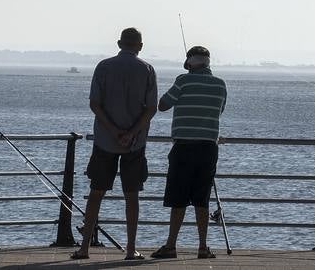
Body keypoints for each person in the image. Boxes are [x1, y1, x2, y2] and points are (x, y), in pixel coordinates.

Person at [74, 27, 157, 261]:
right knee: (132, 196)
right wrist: (131, 133)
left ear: (119, 43)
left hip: (104, 141)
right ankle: (130, 250)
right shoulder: (148, 69)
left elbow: (95, 104)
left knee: (96, 193)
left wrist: (114, 131)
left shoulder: (103, 66)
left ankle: (84, 248)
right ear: (140, 46)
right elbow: (151, 108)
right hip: (135, 143)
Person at [152, 45, 228, 259]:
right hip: (208, 148)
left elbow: (163, 105)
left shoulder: (183, 80)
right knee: (201, 199)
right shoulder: (220, 84)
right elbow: (219, 111)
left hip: (184, 147)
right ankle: (203, 247)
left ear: (189, 62)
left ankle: (171, 246)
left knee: (178, 198)